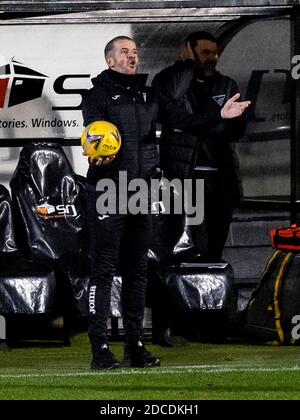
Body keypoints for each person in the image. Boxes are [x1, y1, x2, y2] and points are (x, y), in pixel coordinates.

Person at [81, 35, 250, 369]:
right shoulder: (97, 95)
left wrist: (220, 114)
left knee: (137, 271)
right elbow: (92, 133)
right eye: (125, 53)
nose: (132, 57)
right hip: (108, 190)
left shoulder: (149, 93)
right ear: (110, 61)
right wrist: (96, 152)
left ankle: (134, 347)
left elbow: (182, 121)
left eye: (135, 52)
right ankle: (100, 348)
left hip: (141, 192)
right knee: (102, 271)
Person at [152, 31, 248, 260]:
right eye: (205, 53)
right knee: (193, 248)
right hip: (186, 177)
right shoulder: (169, 80)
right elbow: (171, 114)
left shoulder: (225, 84)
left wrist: (193, 124)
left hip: (221, 177)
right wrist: (186, 65)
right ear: (189, 51)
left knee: (216, 246)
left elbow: (235, 130)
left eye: (215, 53)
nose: (212, 58)